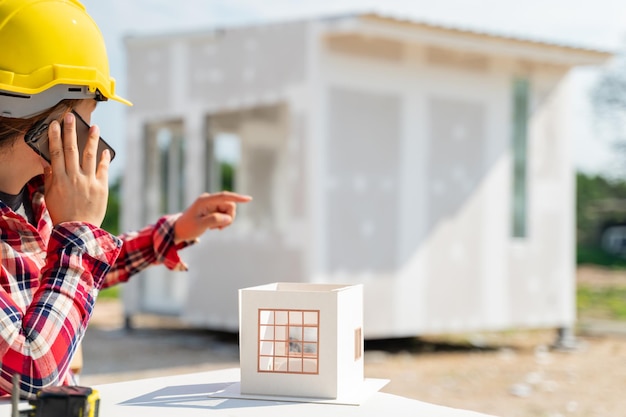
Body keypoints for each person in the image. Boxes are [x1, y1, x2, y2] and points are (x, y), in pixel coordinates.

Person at [0, 0, 252, 399]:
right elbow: (30, 372)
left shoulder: (37, 195)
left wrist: (167, 234)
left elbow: (70, 274)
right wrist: (79, 229)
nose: (93, 132)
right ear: (46, 117)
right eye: (86, 115)